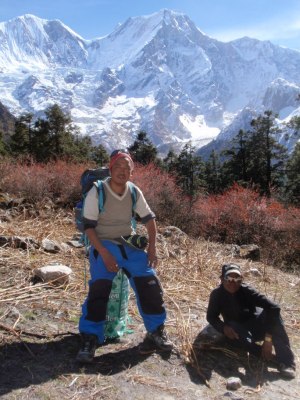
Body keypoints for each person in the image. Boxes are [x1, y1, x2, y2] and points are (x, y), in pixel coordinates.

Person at [76, 149, 173, 362]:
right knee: (100, 287)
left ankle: (156, 329)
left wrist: (153, 249)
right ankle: (90, 337)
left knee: (149, 283)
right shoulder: (98, 190)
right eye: (118, 167)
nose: (122, 171)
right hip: (103, 244)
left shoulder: (133, 191)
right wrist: (104, 254)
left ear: (132, 172)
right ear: (110, 169)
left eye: (127, 168)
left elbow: (149, 220)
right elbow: (89, 227)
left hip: (128, 244)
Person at [206, 263, 296, 379]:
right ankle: (268, 356)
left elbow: (274, 307)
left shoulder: (247, 290)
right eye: (229, 278)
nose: (233, 282)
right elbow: (211, 317)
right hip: (238, 330)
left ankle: (287, 362)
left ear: (241, 279)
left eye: (237, 279)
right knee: (234, 336)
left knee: (275, 318)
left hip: (257, 324)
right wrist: (223, 328)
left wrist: (268, 339)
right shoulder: (216, 294)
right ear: (222, 279)